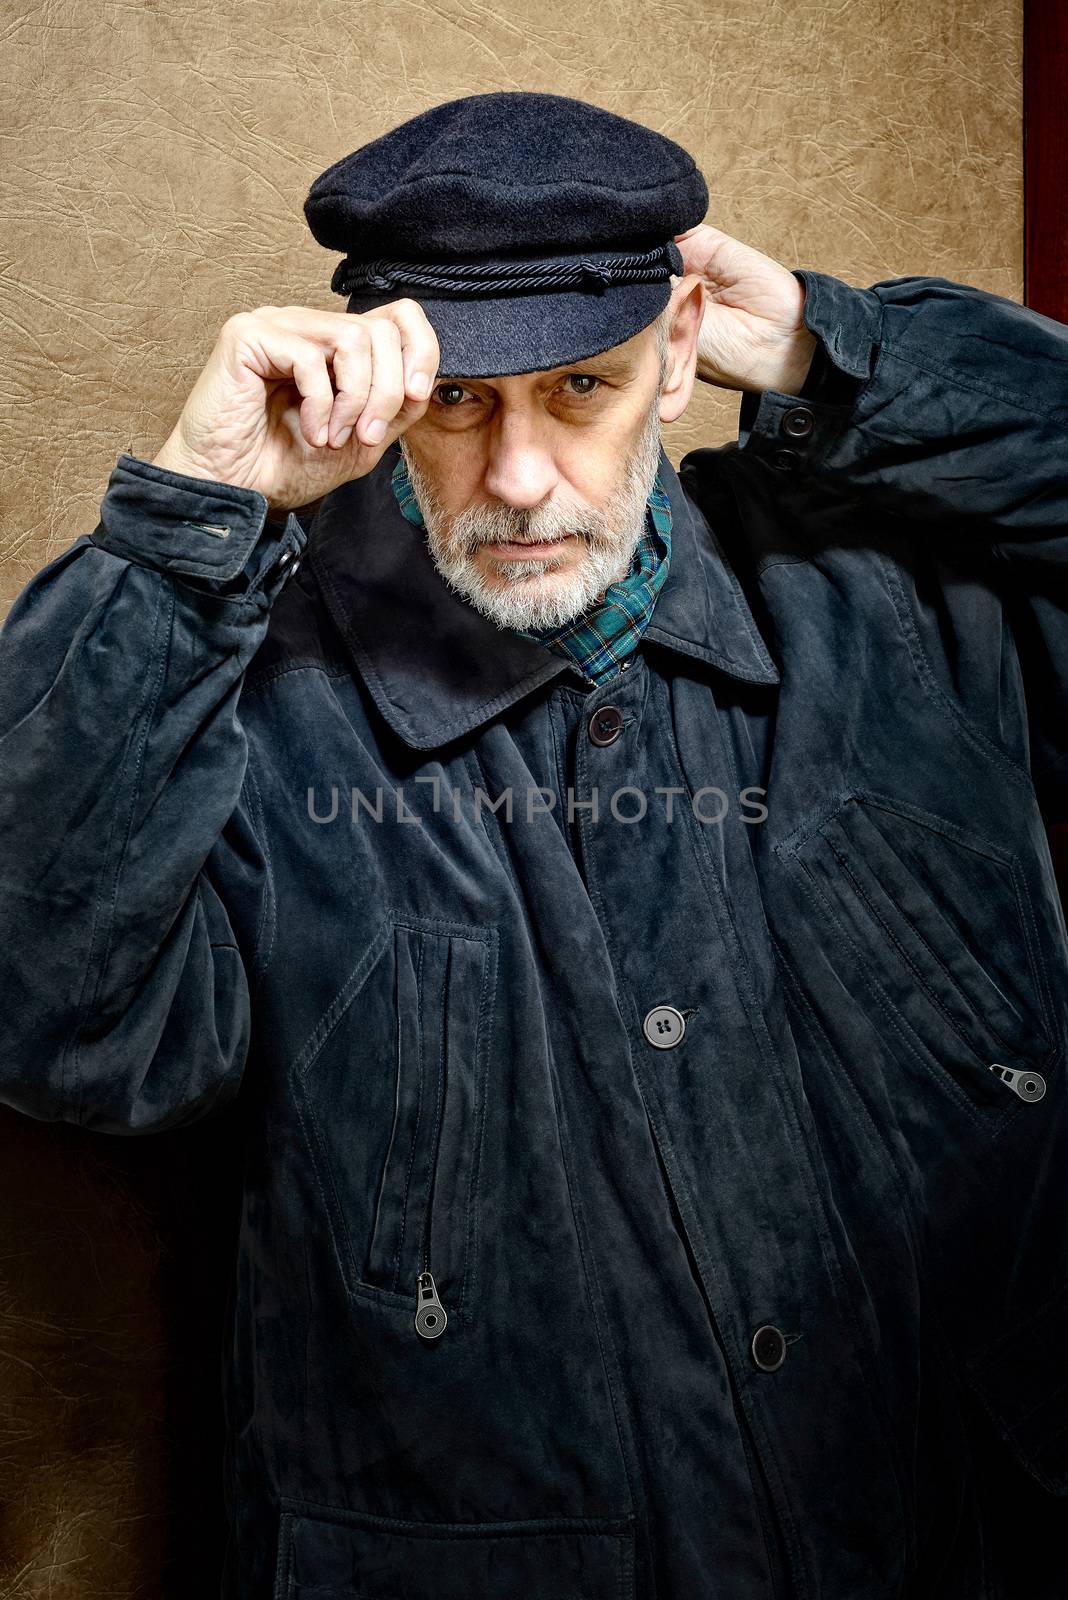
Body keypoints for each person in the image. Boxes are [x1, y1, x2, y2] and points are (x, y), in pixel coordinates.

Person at [1, 89, 1066, 1600]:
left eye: (585, 386)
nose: (517, 480)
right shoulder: (250, 709)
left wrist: (849, 352)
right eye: (461, 402)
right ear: (382, 390)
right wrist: (191, 525)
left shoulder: (897, 607)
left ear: (681, 348)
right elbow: (57, 1021)